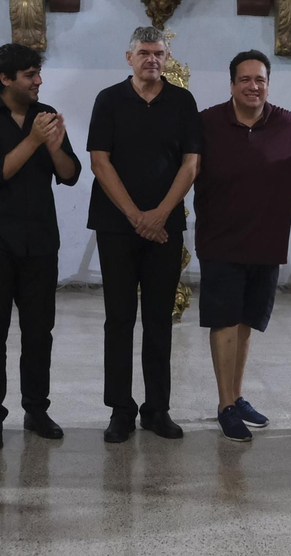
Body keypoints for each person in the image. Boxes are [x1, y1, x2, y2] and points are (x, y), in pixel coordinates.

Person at [194, 51, 291, 442]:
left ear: (268, 83)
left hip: (266, 242)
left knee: (246, 323)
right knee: (223, 322)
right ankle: (224, 405)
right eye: (245, 80)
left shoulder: (287, 123)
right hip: (220, 240)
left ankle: (236, 398)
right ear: (232, 83)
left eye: (260, 80)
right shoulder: (207, 122)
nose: (253, 87)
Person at [0, 43, 80, 451]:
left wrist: (52, 143)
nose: (39, 81)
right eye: (30, 75)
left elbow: (70, 175)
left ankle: (36, 409)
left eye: (38, 73)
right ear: (5, 79)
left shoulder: (45, 118)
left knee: (38, 332)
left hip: (40, 242)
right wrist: (32, 140)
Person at [87, 26, 202, 443]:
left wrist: (159, 215)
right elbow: (100, 163)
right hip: (116, 225)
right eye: (144, 52)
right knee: (118, 318)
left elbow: (191, 165)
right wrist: (137, 215)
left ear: (167, 58)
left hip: (165, 227)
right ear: (129, 57)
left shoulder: (182, 101)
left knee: (159, 319)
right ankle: (120, 409)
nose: (152, 59)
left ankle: (157, 409)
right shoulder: (109, 99)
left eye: (159, 53)